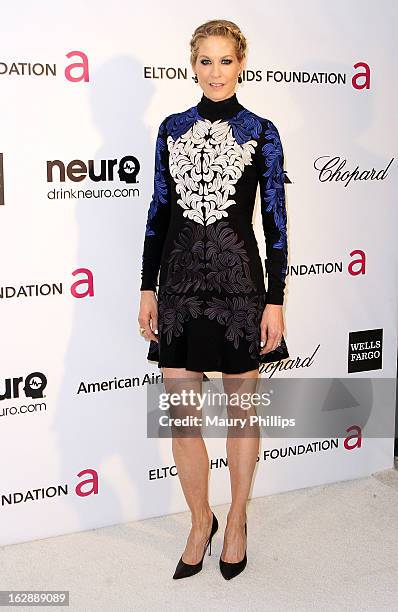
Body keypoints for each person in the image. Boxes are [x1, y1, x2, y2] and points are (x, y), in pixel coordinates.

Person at [138, 19, 288, 580]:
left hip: (238, 287)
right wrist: (147, 285)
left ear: (241, 64)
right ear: (192, 64)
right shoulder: (171, 128)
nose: (216, 71)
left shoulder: (263, 131)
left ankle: (239, 518)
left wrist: (274, 300)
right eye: (206, 60)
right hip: (176, 287)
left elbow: (275, 221)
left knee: (242, 418)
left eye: (226, 61)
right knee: (182, 420)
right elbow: (158, 212)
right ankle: (201, 520)